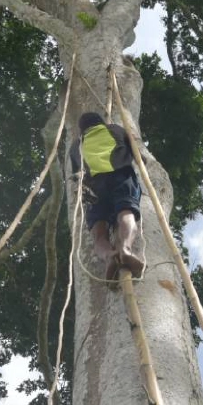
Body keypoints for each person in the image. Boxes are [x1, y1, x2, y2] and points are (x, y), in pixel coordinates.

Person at [69, 110, 145, 279]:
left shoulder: (75, 147)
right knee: (126, 212)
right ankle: (125, 249)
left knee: (99, 233)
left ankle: (109, 257)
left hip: (93, 188)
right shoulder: (115, 129)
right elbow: (137, 153)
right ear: (101, 122)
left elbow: (77, 176)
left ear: (81, 130)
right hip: (120, 175)